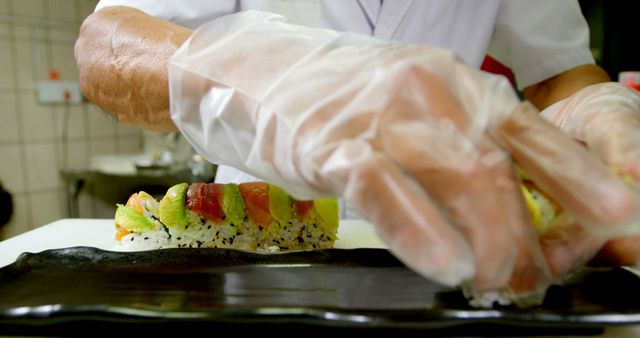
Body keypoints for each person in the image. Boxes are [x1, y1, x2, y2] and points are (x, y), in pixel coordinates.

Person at [74, 0, 640, 301]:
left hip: (452, 243)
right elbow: (105, 46)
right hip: (257, 246)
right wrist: (276, 76)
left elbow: (560, 71)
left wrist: (593, 105)